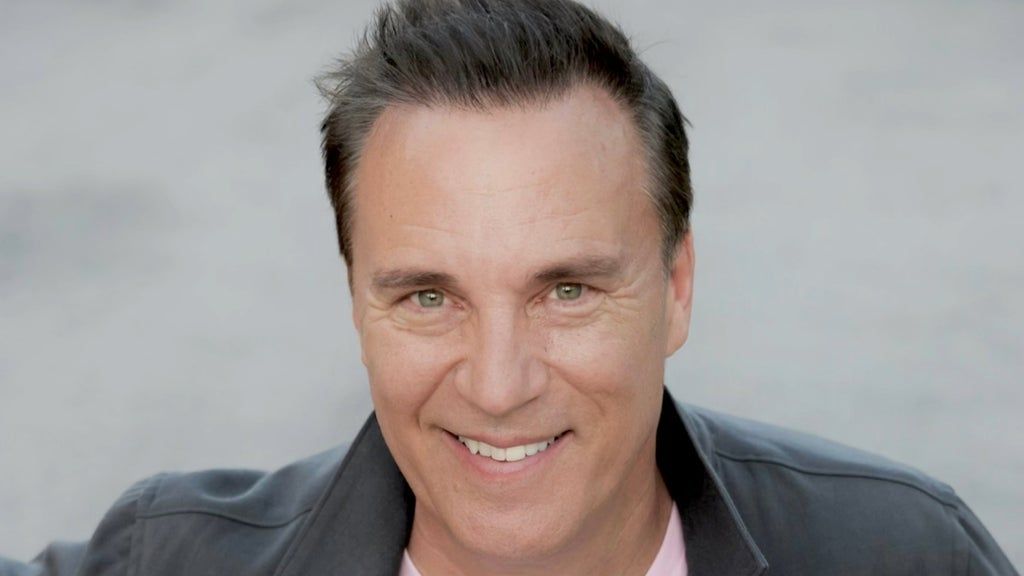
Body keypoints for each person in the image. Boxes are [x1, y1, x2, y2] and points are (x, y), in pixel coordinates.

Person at [1, 0, 1018, 574]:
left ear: (677, 285)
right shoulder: (171, 561)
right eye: (427, 297)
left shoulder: (902, 556)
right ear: (356, 302)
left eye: (566, 291)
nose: (497, 386)